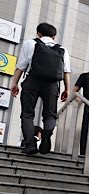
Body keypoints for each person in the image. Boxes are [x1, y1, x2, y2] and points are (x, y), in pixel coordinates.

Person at [10, 22, 72, 155]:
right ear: (54, 36)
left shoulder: (30, 44)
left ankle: (30, 143)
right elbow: (66, 71)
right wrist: (67, 89)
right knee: (50, 115)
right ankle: (47, 133)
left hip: (32, 81)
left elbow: (21, 66)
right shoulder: (62, 49)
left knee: (27, 114)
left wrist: (14, 83)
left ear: (38, 33)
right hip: (52, 85)